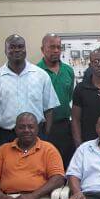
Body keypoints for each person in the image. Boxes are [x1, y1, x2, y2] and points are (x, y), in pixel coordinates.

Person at [0, 34, 59, 146]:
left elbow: (49, 109)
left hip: (36, 135)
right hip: (6, 136)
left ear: (25, 49)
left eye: (20, 46)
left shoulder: (41, 75)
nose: (17, 50)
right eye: (12, 47)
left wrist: (45, 136)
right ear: (5, 51)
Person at [37, 33, 75, 168]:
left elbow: (69, 96)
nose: (56, 50)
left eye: (59, 47)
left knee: (65, 163)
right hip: (43, 127)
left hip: (64, 125)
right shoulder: (35, 72)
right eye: (52, 47)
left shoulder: (68, 70)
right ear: (43, 49)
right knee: (46, 164)